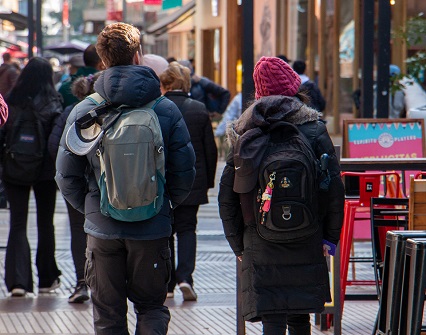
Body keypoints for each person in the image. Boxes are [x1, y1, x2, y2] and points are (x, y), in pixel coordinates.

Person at [55, 22, 196, 334]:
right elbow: (185, 172)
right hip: (151, 228)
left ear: (103, 60)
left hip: (102, 230)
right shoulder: (165, 108)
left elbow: (66, 175)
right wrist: (162, 203)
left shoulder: (86, 109)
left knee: (107, 315)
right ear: (139, 55)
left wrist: (93, 207)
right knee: (152, 308)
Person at [218, 56, 344, 334]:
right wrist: (330, 239)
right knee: (300, 317)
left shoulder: (244, 131)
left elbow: (227, 195)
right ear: (294, 88)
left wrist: (238, 244)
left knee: (272, 317)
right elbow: (334, 189)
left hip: (259, 238)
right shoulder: (314, 129)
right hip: (307, 233)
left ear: (258, 93)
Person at [0, 57, 63, 297]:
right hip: (45, 171)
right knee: (46, 224)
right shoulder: (54, 102)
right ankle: (46, 279)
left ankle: (18, 282)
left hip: (15, 168)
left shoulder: (11, 101)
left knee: (17, 223)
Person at [159, 61, 218, 301]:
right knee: (187, 229)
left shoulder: (157, 108)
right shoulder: (199, 108)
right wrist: (208, 182)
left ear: (166, 84)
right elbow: (210, 150)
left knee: (166, 231)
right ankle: (186, 277)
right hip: (193, 179)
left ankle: (168, 282)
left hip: (164, 181)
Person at [48, 72, 102, 303]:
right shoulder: (115, 110)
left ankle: (82, 282)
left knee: (78, 229)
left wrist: (69, 176)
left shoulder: (72, 112)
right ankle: (104, 283)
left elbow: (54, 145)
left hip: (79, 184)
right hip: (108, 184)